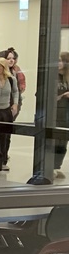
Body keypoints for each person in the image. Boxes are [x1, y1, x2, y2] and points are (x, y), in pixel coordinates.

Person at [0, 47, 26, 120]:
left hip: (13, 103)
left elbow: (17, 90)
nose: (11, 60)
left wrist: (16, 104)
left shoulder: (15, 71)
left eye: (13, 58)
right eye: (8, 58)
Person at [55, 51, 69, 180]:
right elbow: (42, 96)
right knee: (52, 140)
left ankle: (57, 166)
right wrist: (61, 96)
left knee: (63, 142)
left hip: (65, 114)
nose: (59, 63)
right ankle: (50, 166)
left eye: (61, 61)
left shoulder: (67, 78)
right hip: (54, 113)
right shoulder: (51, 77)